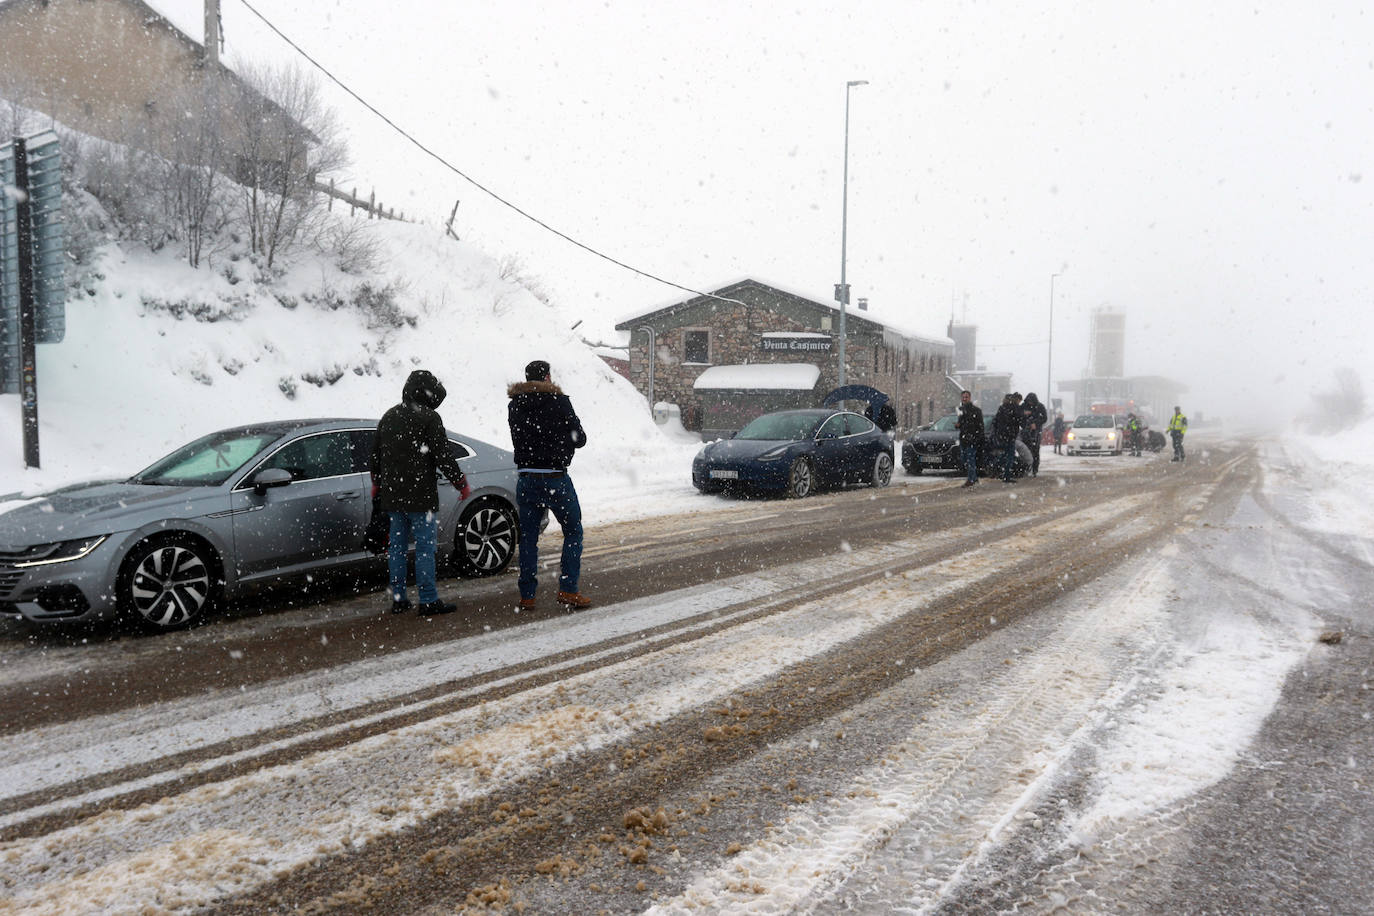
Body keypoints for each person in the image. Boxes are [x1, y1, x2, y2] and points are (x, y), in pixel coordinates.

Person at [372, 369, 470, 615]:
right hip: (421, 497)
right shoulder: (429, 418)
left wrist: (377, 483)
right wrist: (460, 482)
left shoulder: (389, 415)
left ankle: (399, 598)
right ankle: (428, 599)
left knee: (397, 548)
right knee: (425, 548)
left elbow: (375, 455)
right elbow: (443, 455)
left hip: (393, 497)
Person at [508, 359, 591, 610]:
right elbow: (580, 439)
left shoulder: (515, 405)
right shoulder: (560, 402)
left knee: (529, 538)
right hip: (556, 477)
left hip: (527, 479)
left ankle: (527, 596)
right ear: (547, 377)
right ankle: (568, 590)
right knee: (573, 532)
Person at [990, 392, 1023, 483]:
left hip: (1002, 435)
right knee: (1010, 456)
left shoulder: (1002, 408)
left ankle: (995, 466)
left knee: (1006, 454)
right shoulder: (1014, 408)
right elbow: (1019, 420)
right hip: (1010, 435)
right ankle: (1006, 475)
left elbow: (995, 421)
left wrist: (996, 433)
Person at [954, 390, 985, 488]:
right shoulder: (960, 410)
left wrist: (977, 438)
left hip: (972, 439)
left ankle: (970, 480)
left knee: (970, 460)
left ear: (970, 398)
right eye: (963, 397)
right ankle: (974, 478)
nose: (964, 399)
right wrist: (958, 425)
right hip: (963, 439)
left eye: (966, 397)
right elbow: (961, 424)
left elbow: (980, 426)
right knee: (965, 459)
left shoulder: (976, 410)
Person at [1020, 392, 1048, 476]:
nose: (1030, 403)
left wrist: (1036, 423)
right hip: (1025, 431)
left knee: (1035, 451)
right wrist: (1024, 417)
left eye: (1031, 402)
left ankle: (1035, 469)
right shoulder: (1023, 406)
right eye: (1029, 402)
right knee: (1025, 450)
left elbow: (1045, 418)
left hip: (1036, 432)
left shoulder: (1040, 406)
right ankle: (1025, 468)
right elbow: (1018, 415)